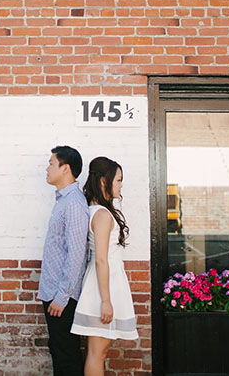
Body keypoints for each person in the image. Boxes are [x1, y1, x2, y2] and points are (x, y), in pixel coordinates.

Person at [71, 156, 138, 376]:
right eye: (118, 180)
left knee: (98, 352)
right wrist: (106, 301)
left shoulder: (98, 211)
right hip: (102, 288)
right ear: (103, 181)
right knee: (97, 354)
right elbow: (100, 258)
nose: (120, 185)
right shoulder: (101, 214)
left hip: (104, 284)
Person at [38, 145, 90, 376]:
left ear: (65, 168)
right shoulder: (63, 200)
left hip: (62, 298)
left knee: (66, 355)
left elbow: (77, 255)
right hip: (55, 294)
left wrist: (62, 296)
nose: (47, 168)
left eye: (51, 163)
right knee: (59, 352)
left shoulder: (75, 204)